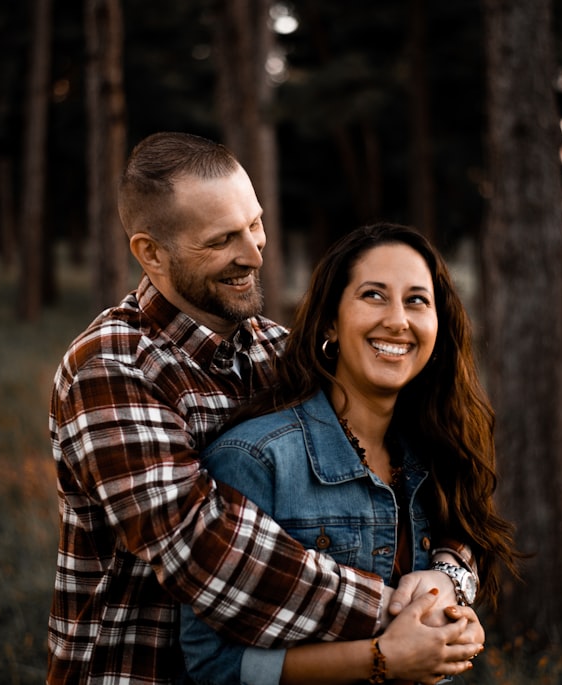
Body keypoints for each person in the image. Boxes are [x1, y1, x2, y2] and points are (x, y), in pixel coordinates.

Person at [48, 133, 482, 685]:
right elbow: (203, 548)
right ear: (151, 252)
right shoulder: (111, 367)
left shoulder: (279, 350)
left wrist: (448, 574)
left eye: (254, 225)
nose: (254, 254)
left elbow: (431, 484)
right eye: (223, 239)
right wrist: (403, 612)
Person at [179, 223, 521, 684]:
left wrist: (452, 604)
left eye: (417, 300)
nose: (398, 320)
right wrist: (382, 658)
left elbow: (460, 555)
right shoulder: (256, 459)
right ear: (329, 323)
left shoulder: (436, 451)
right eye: (374, 295)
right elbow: (210, 666)